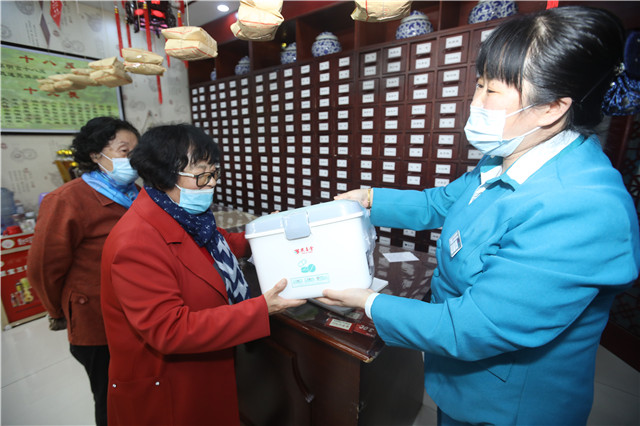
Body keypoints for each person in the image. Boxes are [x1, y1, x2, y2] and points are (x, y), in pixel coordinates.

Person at [320, 6, 640, 425]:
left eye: (493, 91)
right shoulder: (510, 155)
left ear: (552, 107)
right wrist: (367, 198)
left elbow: (471, 328)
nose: (475, 102)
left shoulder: (581, 208)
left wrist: (367, 302)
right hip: (458, 379)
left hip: (508, 405)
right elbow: (440, 203)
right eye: (479, 83)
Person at [100, 123, 305, 425]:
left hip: (203, 369)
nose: (211, 184)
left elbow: (215, 244)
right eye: (202, 175)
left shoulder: (180, 214)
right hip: (168, 384)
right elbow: (170, 330)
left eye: (214, 173)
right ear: (164, 174)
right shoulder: (135, 242)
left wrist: (262, 236)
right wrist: (260, 308)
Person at [27, 117, 140, 426]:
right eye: (124, 151)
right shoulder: (67, 200)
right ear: (94, 154)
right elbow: (42, 268)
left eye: (136, 152)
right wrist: (58, 311)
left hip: (136, 312)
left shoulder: (134, 193)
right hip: (95, 319)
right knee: (110, 396)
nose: (133, 159)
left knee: (138, 389)